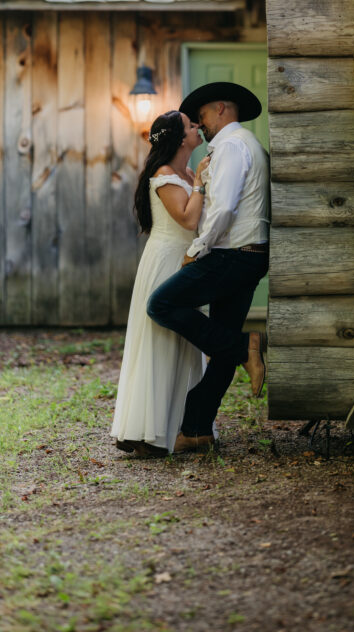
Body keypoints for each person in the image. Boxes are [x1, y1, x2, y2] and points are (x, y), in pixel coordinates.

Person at [147, 81, 270, 454]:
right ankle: (197, 430)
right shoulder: (244, 144)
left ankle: (244, 346)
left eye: (201, 117)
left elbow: (225, 209)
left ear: (221, 108)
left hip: (232, 255)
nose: (199, 126)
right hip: (249, 255)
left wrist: (197, 250)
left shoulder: (232, 147)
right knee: (221, 344)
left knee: (162, 305)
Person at [111, 110, 211, 458]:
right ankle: (146, 430)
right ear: (180, 137)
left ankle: (179, 427)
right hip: (166, 262)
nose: (198, 127)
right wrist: (199, 181)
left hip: (187, 261)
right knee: (159, 341)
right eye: (191, 124)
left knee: (183, 342)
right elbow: (187, 217)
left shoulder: (183, 172)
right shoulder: (165, 174)